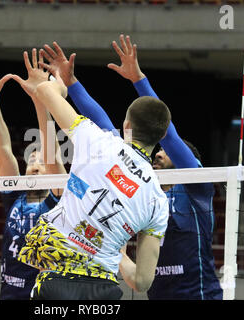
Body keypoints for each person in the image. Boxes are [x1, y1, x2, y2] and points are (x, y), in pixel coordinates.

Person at [40, 35, 222, 300]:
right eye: (158, 151)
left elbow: (168, 135)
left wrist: (139, 80)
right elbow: (103, 124)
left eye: (166, 153)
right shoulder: (150, 195)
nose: (159, 155)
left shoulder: (197, 190)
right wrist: (72, 82)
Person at [10, 54, 171, 300]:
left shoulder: (98, 140)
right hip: (104, 292)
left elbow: (44, 92)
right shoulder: (159, 203)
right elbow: (142, 282)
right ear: (160, 138)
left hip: (55, 282)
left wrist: (59, 84)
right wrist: (116, 251)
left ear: (126, 126)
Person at [0, 50, 66, 300]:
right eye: (31, 159)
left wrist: (41, 99)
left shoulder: (59, 199)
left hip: (46, 296)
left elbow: (53, 156)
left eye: (40, 161)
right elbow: (2, 151)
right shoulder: (15, 198)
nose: (34, 163)